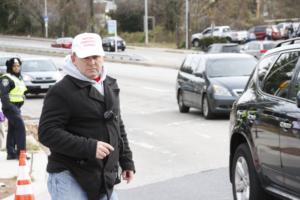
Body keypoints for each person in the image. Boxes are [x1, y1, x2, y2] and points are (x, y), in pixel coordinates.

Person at [38, 32, 135, 200]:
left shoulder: (110, 84)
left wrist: (126, 161)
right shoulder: (61, 91)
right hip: (69, 174)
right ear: (74, 58)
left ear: (103, 57)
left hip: (102, 176)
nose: (92, 62)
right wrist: (89, 147)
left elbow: (117, 125)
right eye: (86, 58)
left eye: (96, 57)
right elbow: (47, 133)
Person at [0, 57, 27, 160]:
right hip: (10, 107)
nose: (17, 68)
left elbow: (19, 91)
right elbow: (4, 95)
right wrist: (10, 107)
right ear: (10, 67)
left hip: (17, 106)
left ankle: (11, 153)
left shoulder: (18, 77)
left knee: (12, 129)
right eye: (14, 66)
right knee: (20, 127)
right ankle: (21, 153)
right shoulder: (6, 78)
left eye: (18, 66)